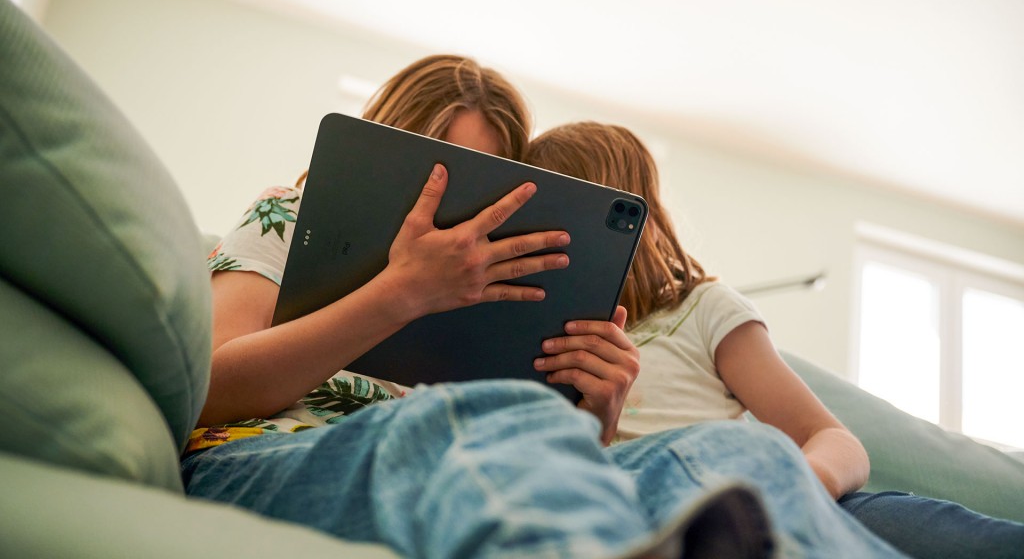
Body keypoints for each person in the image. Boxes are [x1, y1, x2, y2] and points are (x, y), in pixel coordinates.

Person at [183, 54, 907, 558]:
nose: (452, 229)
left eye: (476, 198)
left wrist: (596, 418)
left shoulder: (487, 278)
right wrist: (397, 294)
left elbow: (539, 459)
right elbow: (209, 387)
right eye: (430, 179)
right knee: (466, 423)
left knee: (738, 452)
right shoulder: (289, 211)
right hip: (275, 452)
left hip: (458, 454)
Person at [526, 120, 1024, 559]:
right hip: (653, 513)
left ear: (645, 218)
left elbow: (836, 441)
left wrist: (800, 487)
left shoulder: (701, 308)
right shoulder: (538, 339)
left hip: (771, 495)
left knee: (962, 539)